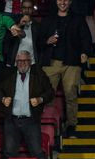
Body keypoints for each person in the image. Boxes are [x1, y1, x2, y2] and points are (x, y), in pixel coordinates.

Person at [0, 50, 54, 159]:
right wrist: (2, 99)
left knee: (37, 153)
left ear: (30, 62)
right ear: (16, 62)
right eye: (19, 61)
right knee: (9, 153)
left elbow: (50, 92)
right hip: (11, 120)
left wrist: (40, 99)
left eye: (25, 61)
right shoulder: (8, 74)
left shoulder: (39, 75)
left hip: (31, 120)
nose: (22, 63)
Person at [38, 0, 91, 135]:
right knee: (47, 96)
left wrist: (85, 52)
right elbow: (38, 41)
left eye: (65, 0)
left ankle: (72, 124)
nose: (63, 2)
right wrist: (47, 41)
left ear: (70, 2)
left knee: (71, 93)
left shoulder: (78, 19)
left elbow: (86, 38)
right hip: (51, 63)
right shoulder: (48, 19)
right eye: (60, 0)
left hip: (71, 62)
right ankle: (47, 127)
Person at [3, 0, 41, 65]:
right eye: (24, 8)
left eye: (29, 8)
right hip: (14, 63)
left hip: (31, 63)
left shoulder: (37, 26)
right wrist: (19, 25)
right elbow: (6, 40)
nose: (27, 10)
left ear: (33, 9)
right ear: (21, 9)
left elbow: (40, 45)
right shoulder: (13, 22)